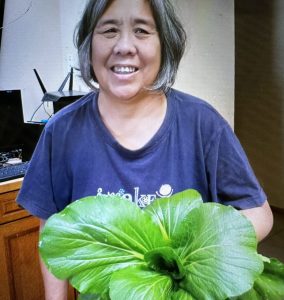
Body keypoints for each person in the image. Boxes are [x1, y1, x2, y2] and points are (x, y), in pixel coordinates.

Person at [17, 0, 273, 299]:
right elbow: (54, 236)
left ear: (165, 44)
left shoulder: (203, 124)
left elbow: (259, 214)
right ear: (89, 45)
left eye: (141, 30)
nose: (125, 45)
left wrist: (187, 254)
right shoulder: (61, 132)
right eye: (109, 30)